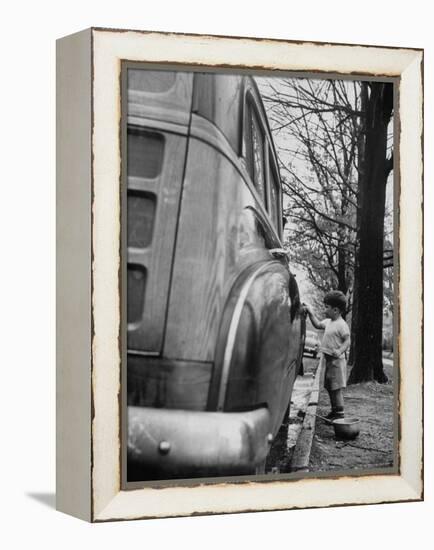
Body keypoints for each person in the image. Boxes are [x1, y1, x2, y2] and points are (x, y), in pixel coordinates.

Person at [304, 291, 350, 420]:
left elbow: (347, 340)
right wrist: (310, 313)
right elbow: (318, 325)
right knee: (330, 387)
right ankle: (334, 411)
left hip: (337, 361)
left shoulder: (342, 325)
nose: (325, 310)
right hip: (329, 361)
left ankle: (340, 413)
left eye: (326, 307)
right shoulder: (329, 322)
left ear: (335, 310)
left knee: (336, 389)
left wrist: (340, 350)